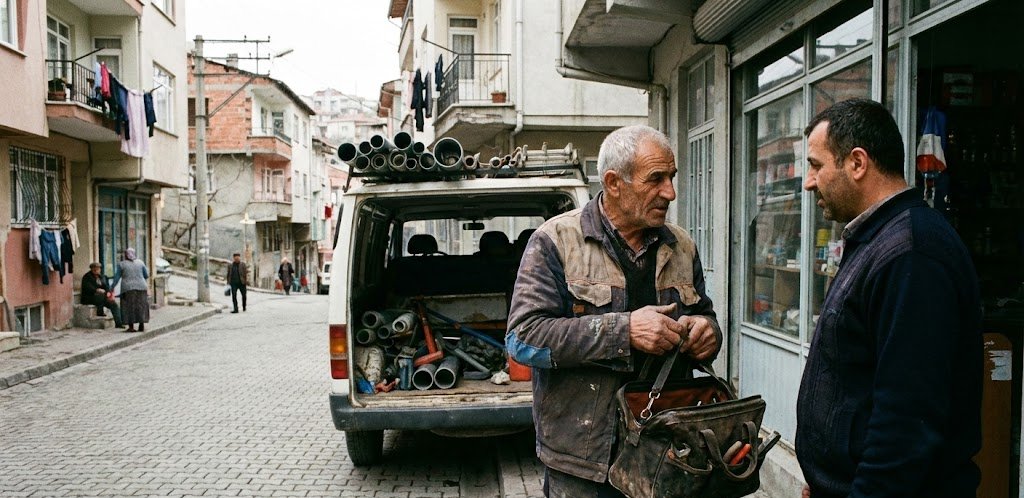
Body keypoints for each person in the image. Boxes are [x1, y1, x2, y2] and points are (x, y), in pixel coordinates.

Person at [506, 125, 721, 497]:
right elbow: (523, 340)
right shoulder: (555, 241)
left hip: (669, 453)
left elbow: (706, 315)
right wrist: (623, 332)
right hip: (585, 464)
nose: (669, 192)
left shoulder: (682, 245)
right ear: (613, 182)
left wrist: (706, 333)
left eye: (671, 177)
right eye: (656, 179)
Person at [796, 98, 982, 497]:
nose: (808, 182)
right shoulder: (879, 238)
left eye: (815, 165)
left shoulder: (912, 252)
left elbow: (906, 422)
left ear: (857, 163)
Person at [112, 247, 150, 332]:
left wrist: (111, 288)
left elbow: (116, 278)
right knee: (141, 306)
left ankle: (131, 327)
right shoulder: (140, 262)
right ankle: (141, 325)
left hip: (128, 289)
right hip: (142, 287)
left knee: (129, 307)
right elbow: (146, 275)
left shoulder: (121, 264)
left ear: (125, 255)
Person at [80, 262, 122, 328]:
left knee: (113, 304)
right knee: (100, 296)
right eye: (94, 269)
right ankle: (100, 312)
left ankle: (119, 323)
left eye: (98, 268)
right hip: (90, 297)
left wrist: (108, 293)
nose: (96, 270)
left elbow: (107, 287)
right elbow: (87, 287)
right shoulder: (87, 277)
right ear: (91, 269)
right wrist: (96, 290)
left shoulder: (102, 277)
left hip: (102, 298)